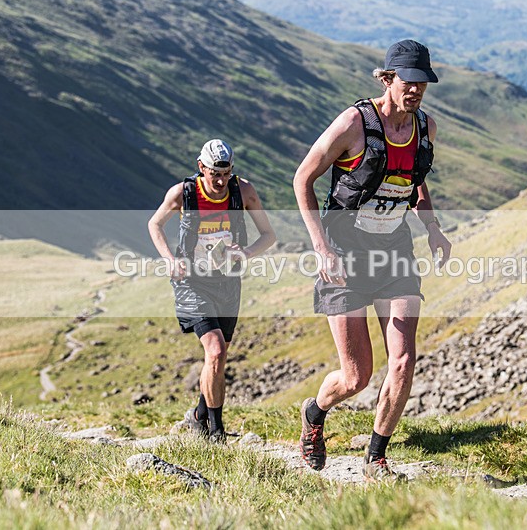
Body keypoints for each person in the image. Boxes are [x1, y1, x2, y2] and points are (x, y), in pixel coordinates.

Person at [293, 40, 451, 480]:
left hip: (395, 252)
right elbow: (302, 178)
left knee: (402, 360)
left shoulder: (426, 128)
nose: (416, 90)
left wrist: (433, 228)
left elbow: (416, 181)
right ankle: (315, 413)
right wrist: (321, 248)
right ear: (387, 79)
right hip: (344, 255)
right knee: (356, 376)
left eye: (423, 83)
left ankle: (376, 457)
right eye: (408, 82)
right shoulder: (354, 123)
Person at [148, 139, 275, 442]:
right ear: (200, 167)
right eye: (214, 174)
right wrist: (169, 260)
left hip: (227, 283)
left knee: (218, 358)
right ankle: (216, 433)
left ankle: (197, 415)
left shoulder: (243, 191)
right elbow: (155, 224)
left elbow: (268, 236)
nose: (220, 181)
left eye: (226, 173)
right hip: (192, 282)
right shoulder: (183, 193)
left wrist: (244, 253)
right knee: (215, 349)